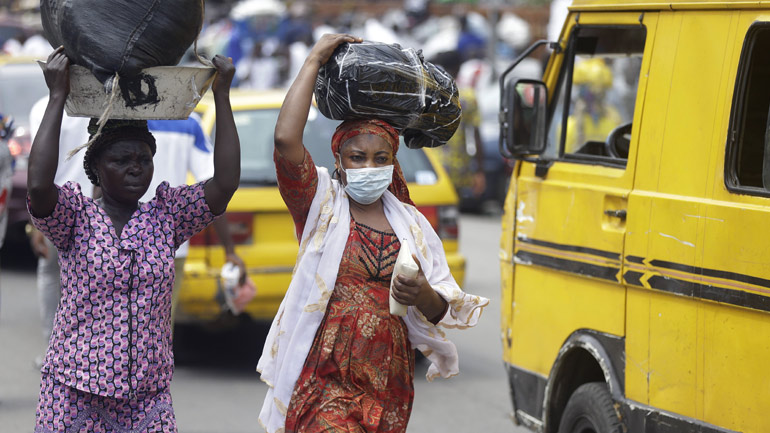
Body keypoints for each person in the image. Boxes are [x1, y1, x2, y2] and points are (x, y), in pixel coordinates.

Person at [257, 34, 489, 433]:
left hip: (388, 378)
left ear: (393, 162)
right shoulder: (322, 206)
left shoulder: (411, 225)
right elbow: (285, 141)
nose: (369, 166)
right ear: (340, 161)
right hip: (325, 373)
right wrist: (313, 59)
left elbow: (439, 311)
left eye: (380, 158)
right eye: (357, 157)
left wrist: (421, 295)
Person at [27, 47, 240, 432]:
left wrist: (221, 95)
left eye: (143, 159)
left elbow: (223, 185)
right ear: (95, 168)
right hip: (73, 393)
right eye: (120, 161)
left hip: (147, 398)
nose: (135, 170)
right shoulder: (75, 217)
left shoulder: (167, 216)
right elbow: (39, 187)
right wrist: (58, 95)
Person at [145, 116, 246, 325]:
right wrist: (229, 249)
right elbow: (214, 184)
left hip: (116, 241)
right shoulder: (187, 120)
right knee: (159, 328)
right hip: (169, 247)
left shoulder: (118, 109)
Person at [431, 50, 486, 212]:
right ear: (459, 68)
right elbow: (475, 135)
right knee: (450, 214)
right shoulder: (467, 97)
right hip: (458, 167)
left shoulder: (428, 94)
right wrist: (480, 171)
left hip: (433, 166)